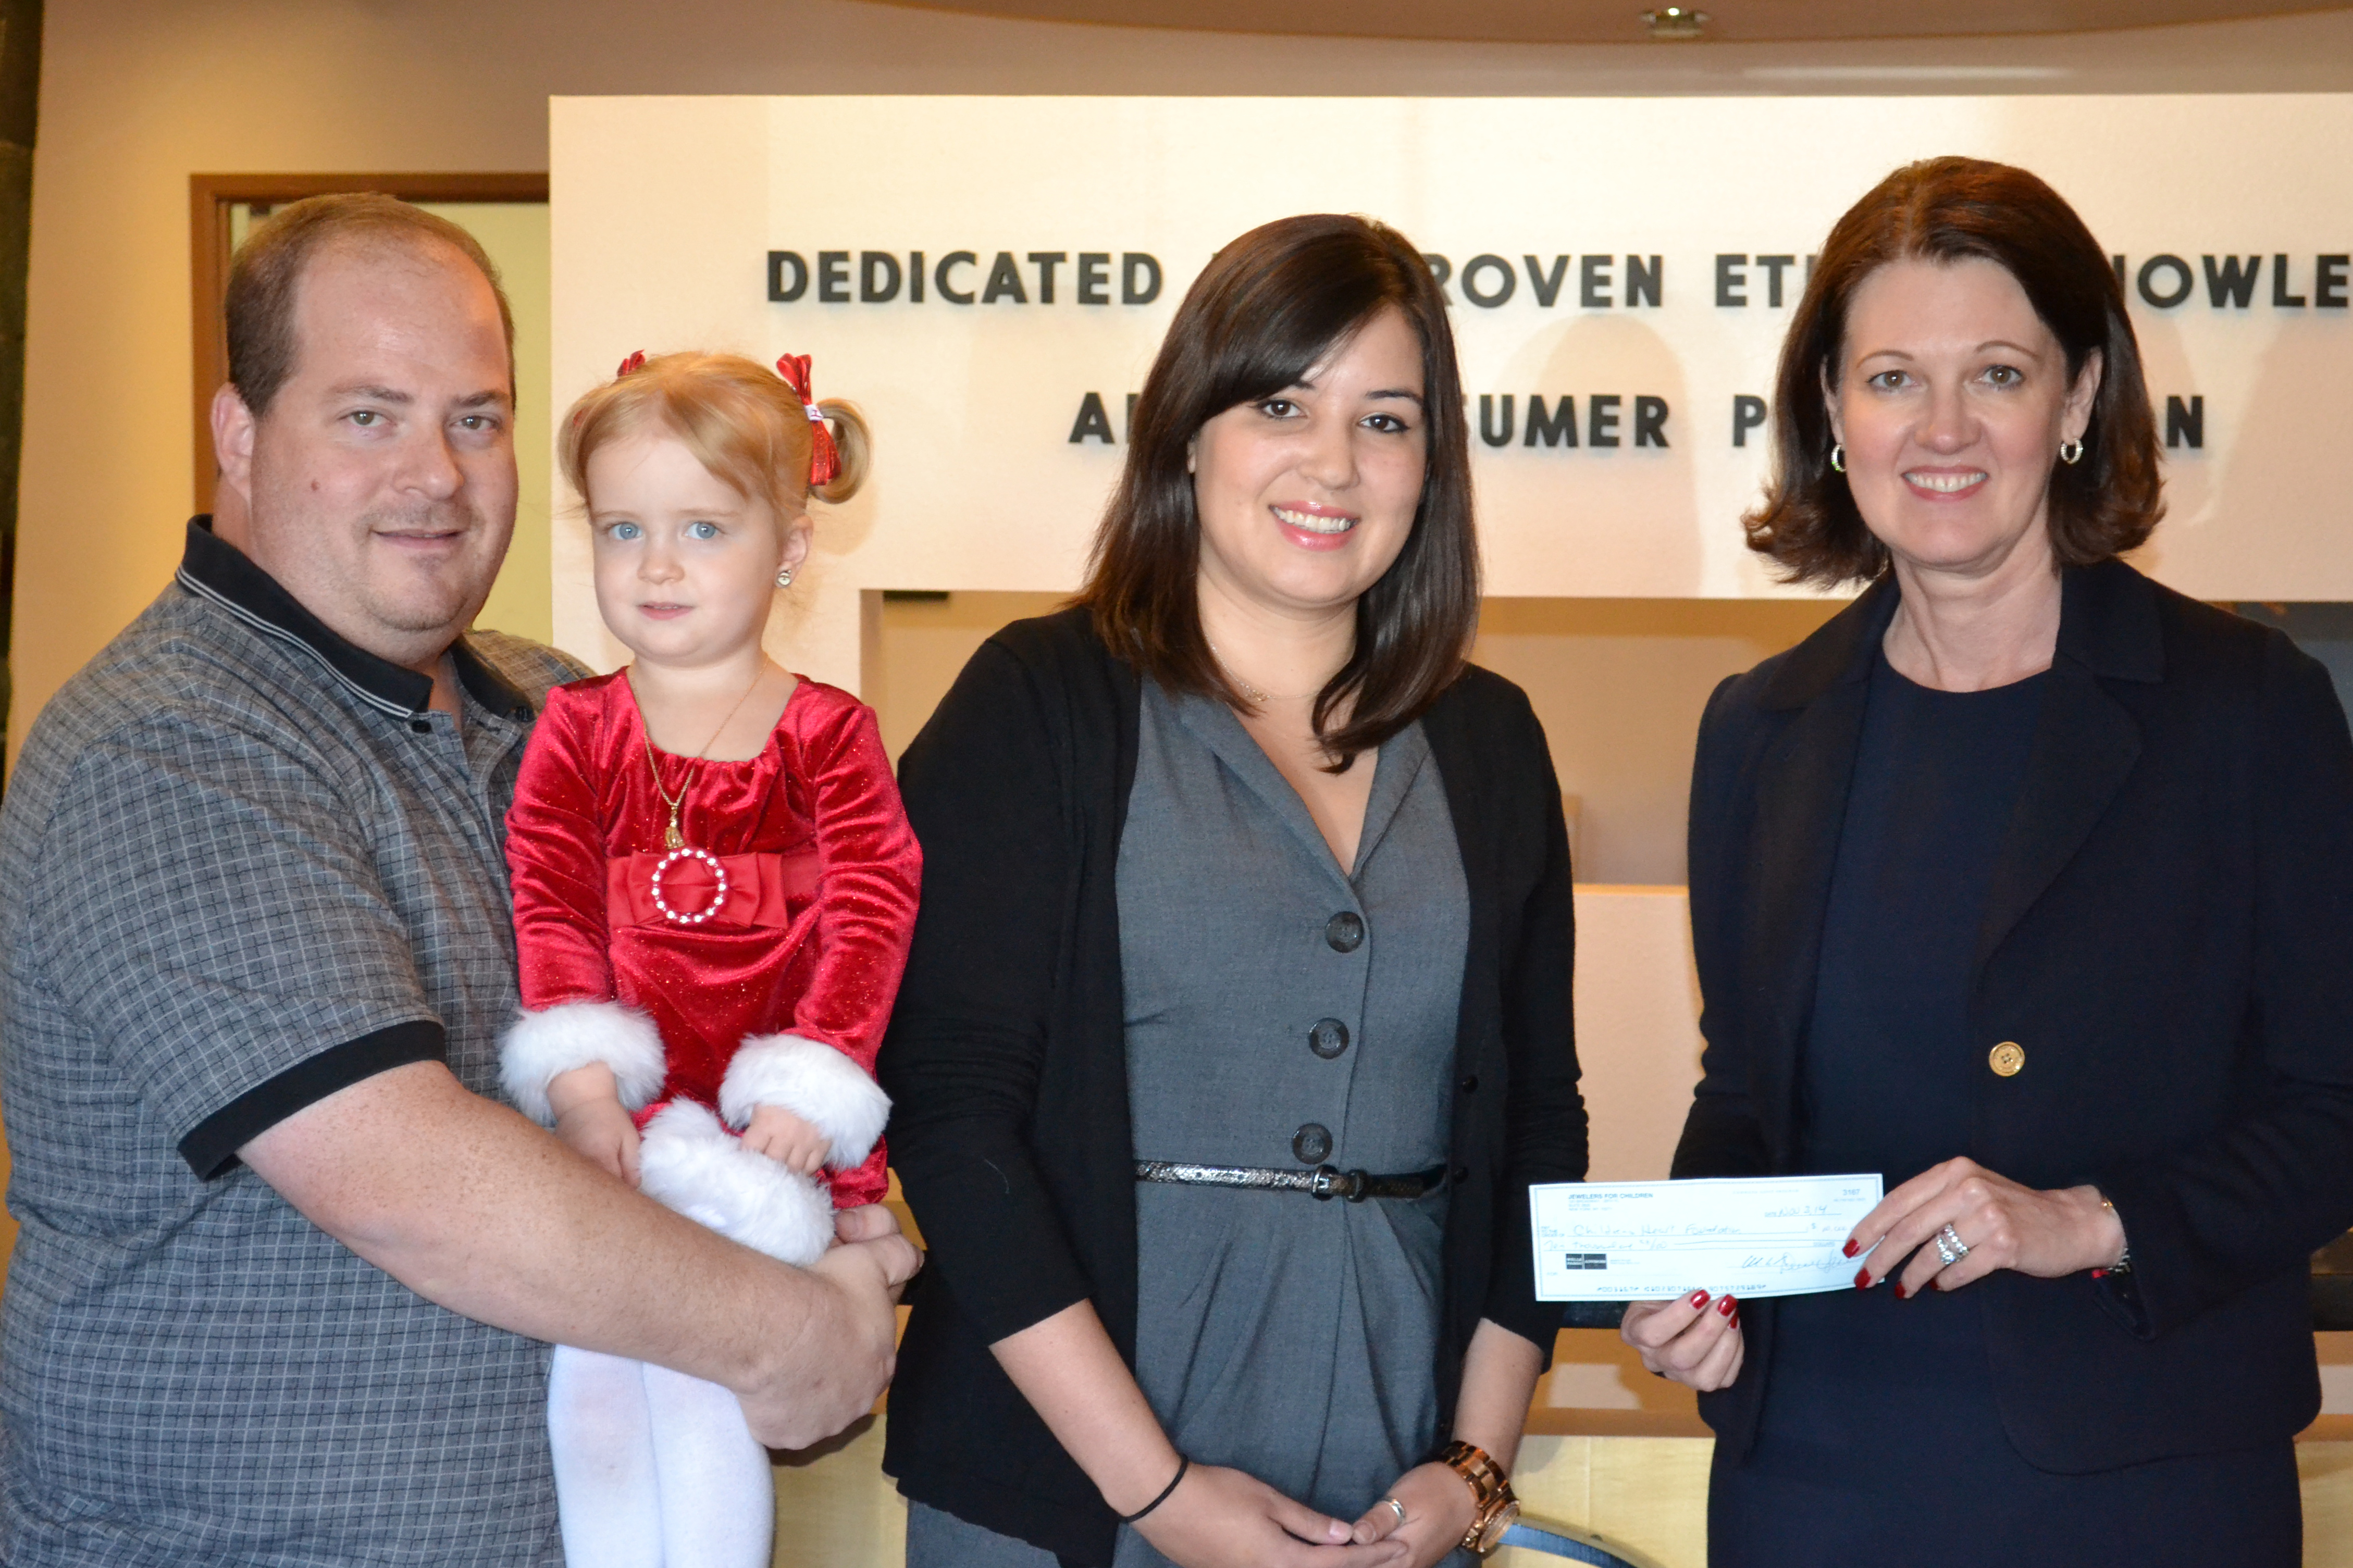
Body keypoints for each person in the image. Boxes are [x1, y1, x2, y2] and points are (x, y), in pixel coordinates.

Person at [0, 194, 918, 1567]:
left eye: (475, 418)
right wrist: (794, 1329)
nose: (435, 473)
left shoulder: (561, 709)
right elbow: (403, 1176)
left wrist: (837, 1198)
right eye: (369, 414)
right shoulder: (175, 741)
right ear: (240, 435)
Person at [1623, 155, 2353, 1565]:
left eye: (1997, 375)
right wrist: (1697, 1281)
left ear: (2077, 399)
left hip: (2144, 1488)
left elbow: (2342, 1102)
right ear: (1831, 411)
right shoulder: (1759, 729)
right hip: (1812, 1486)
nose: (1939, 429)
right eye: (1891, 377)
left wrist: (2089, 1222)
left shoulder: (2245, 708)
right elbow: (1743, 1100)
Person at [880, 213, 1585, 1568]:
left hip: (1389, 1474)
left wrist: (1474, 1465)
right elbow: (953, 1110)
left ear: (1429, 467)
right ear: (1187, 430)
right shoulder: (1037, 705)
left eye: (1386, 420)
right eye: (1279, 402)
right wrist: (1153, 1492)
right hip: (1063, 1479)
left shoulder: (1489, 742)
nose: (1333, 462)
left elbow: (1538, 1127)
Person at [499, 348, 917, 1568]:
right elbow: (551, 898)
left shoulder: (827, 731)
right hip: (628, 1124)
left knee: (706, 1393)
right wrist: (581, 1084)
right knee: (589, 1387)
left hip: (760, 1127)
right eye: (623, 528)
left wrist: (809, 1084)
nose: (658, 564)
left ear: (788, 543)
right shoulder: (577, 724)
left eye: (702, 527)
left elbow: (874, 906)